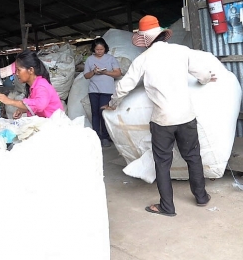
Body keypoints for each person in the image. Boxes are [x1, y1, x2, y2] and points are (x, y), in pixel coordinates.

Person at [103, 15, 216, 217]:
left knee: (162, 163)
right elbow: (203, 75)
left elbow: (123, 87)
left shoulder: (143, 60)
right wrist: (207, 80)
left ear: (145, 39)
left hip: (162, 121)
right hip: (186, 117)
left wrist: (113, 104)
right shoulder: (181, 51)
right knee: (193, 157)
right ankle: (201, 197)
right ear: (162, 34)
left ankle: (167, 206)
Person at [0, 50, 63, 119]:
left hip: (54, 126)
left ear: (31, 70)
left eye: (19, 70)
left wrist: (9, 101)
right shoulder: (34, 86)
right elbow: (35, 106)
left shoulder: (41, 86)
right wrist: (22, 110)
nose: (16, 73)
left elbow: (39, 105)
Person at [84, 38, 121, 147]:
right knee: (95, 113)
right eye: (97, 49)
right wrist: (94, 72)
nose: (99, 51)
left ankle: (105, 136)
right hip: (93, 90)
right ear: (93, 49)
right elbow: (86, 76)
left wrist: (105, 72)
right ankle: (96, 136)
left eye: (101, 49)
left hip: (107, 90)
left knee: (103, 113)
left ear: (105, 48)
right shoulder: (90, 60)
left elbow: (118, 73)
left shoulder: (111, 58)